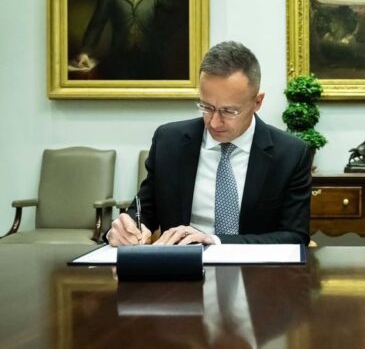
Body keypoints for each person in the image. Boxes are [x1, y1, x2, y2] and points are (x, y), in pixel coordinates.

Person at [107, 41, 312, 246]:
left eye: (229, 111)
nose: (214, 122)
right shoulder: (169, 142)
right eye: (206, 107)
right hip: (181, 263)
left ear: (257, 102)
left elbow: (295, 237)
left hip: (255, 265)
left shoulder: (290, 154)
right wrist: (125, 229)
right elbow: (143, 211)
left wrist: (215, 241)